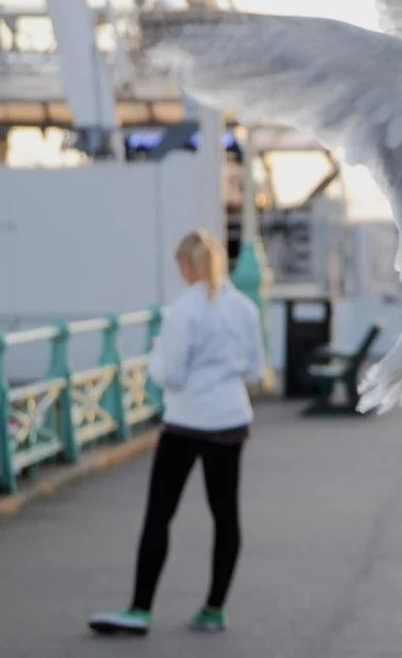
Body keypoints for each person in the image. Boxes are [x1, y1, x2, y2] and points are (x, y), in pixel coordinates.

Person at [88, 229, 266, 636]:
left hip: (187, 421)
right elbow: (257, 371)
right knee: (225, 516)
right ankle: (214, 610)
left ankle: (140, 609)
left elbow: (171, 374)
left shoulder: (184, 311)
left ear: (186, 266)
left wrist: (153, 357)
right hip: (230, 419)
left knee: (160, 513)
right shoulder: (243, 308)